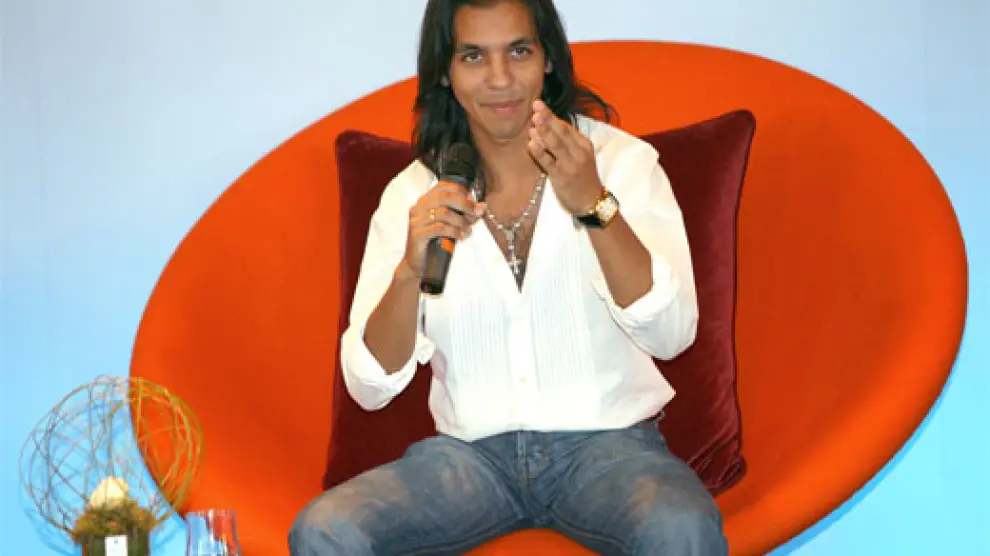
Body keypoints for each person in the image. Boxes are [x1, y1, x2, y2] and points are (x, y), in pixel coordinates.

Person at [289, 0, 727, 554]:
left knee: (679, 526)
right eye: (474, 56)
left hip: (612, 448)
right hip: (469, 459)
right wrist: (407, 273)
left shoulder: (620, 163)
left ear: (548, 58)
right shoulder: (413, 192)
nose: (500, 79)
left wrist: (595, 206)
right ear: (446, 73)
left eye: (518, 51)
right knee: (326, 528)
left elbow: (673, 334)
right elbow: (369, 386)